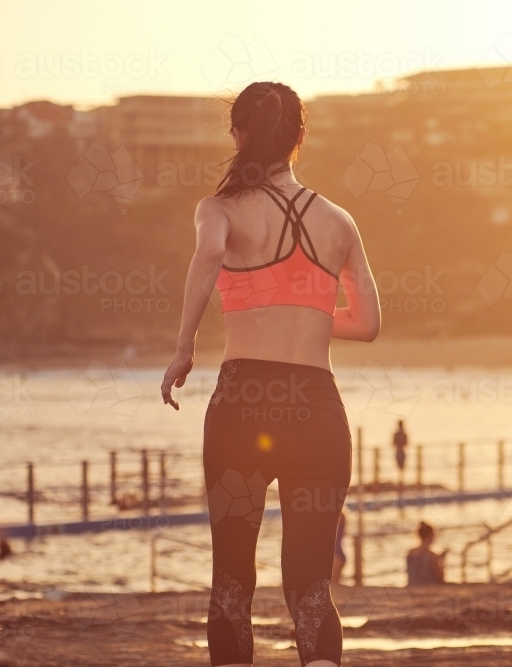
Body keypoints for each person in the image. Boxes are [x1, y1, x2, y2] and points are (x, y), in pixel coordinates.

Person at [161, 81, 380, 667]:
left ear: (237, 134)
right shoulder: (339, 220)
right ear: (299, 139)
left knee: (232, 577)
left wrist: (184, 348)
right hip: (316, 407)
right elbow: (367, 323)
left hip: (242, 405)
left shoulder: (219, 209)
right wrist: (304, 312)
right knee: (310, 587)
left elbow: (207, 257)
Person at [406, 522, 446, 586]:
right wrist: (442, 561)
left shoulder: (410, 553)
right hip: (429, 589)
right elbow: (440, 578)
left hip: (412, 587)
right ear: (430, 536)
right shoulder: (431, 556)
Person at [331, 512, 346, 584]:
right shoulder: (341, 514)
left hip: (336, 557)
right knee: (334, 585)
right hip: (337, 556)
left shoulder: (337, 515)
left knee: (333, 585)